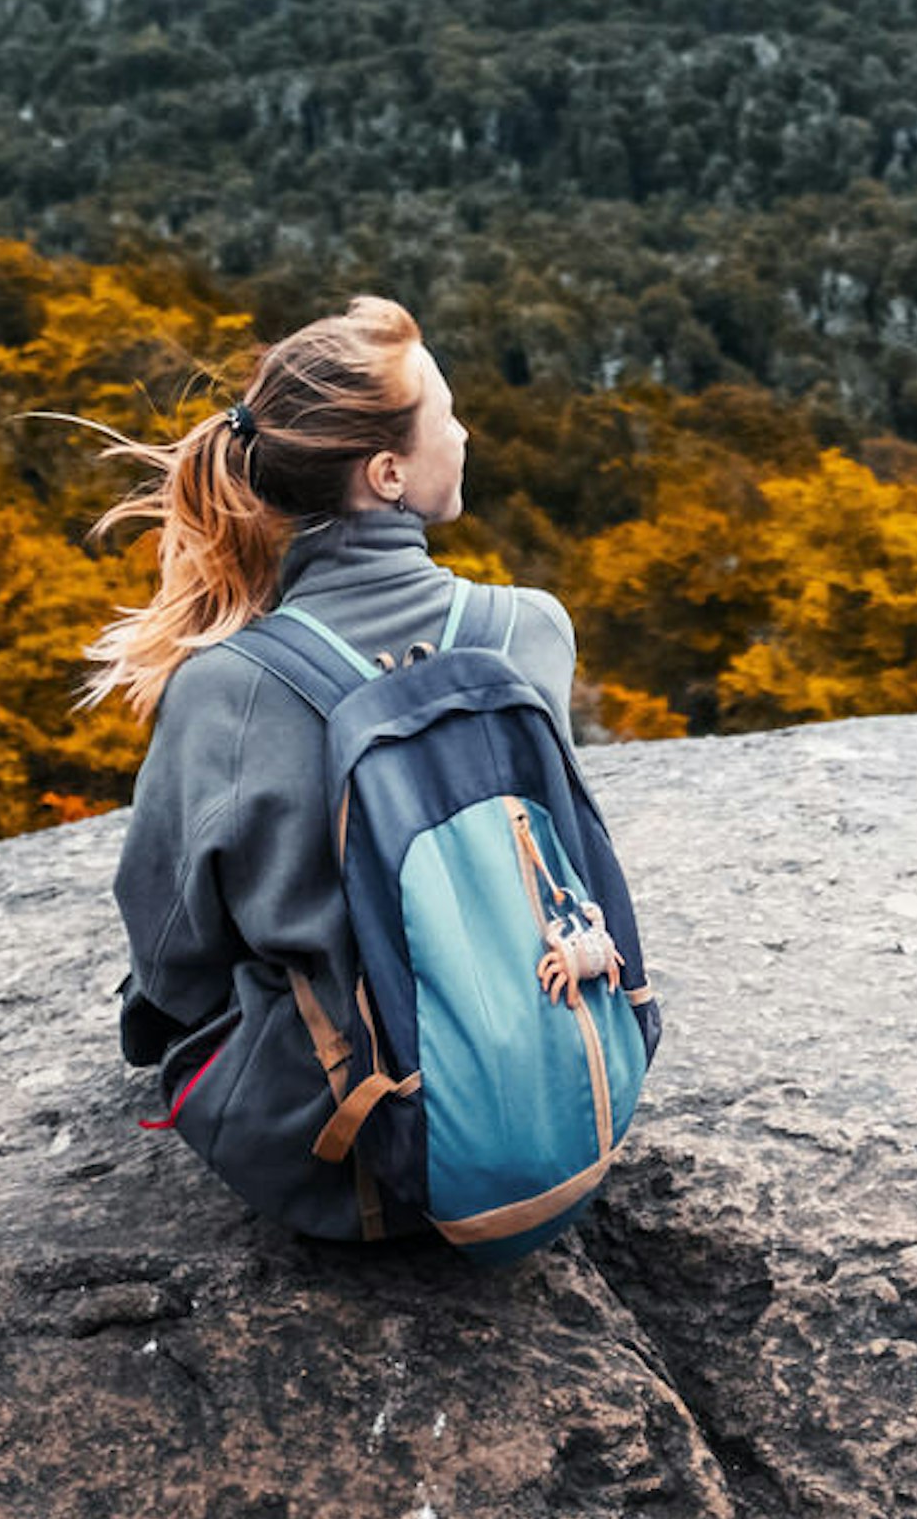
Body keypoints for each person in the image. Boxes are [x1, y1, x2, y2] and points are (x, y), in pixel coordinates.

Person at [88, 294, 580, 1244]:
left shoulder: (225, 689)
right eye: (446, 413)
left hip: (348, 1165)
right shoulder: (533, 629)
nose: (465, 430)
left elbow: (173, 956)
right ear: (389, 472)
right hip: (563, 1097)